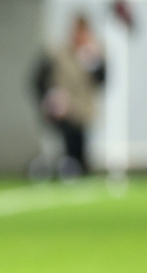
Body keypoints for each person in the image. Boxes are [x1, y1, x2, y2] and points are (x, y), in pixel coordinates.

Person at [33, 15, 105, 177]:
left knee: (80, 147)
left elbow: (101, 81)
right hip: (63, 108)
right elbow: (39, 79)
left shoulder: (93, 53)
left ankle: (77, 169)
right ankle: (65, 167)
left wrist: (94, 62)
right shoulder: (58, 53)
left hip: (84, 110)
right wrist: (49, 97)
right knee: (68, 141)